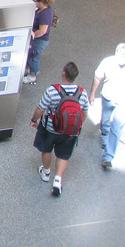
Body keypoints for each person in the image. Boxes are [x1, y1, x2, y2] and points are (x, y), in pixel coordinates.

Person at [30, 61, 89, 197]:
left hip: (50, 128)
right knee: (63, 154)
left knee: (47, 149)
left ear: (63, 73)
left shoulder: (53, 90)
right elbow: (84, 112)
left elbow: (40, 109)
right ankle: (57, 180)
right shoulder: (82, 93)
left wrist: (34, 120)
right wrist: (77, 125)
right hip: (70, 131)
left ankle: (45, 172)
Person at [89, 43, 125, 169]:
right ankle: (104, 134)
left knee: (117, 127)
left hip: (123, 101)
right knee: (106, 119)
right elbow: (98, 77)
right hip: (108, 97)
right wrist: (92, 93)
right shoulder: (107, 62)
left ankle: (108, 157)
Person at [23, 0, 55, 85]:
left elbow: (42, 31)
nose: (34, 2)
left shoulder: (45, 14)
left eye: (35, 1)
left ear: (40, 2)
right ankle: (29, 70)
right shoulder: (42, 9)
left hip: (40, 40)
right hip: (37, 38)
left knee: (34, 56)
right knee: (30, 55)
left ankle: (33, 76)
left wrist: (32, 36)